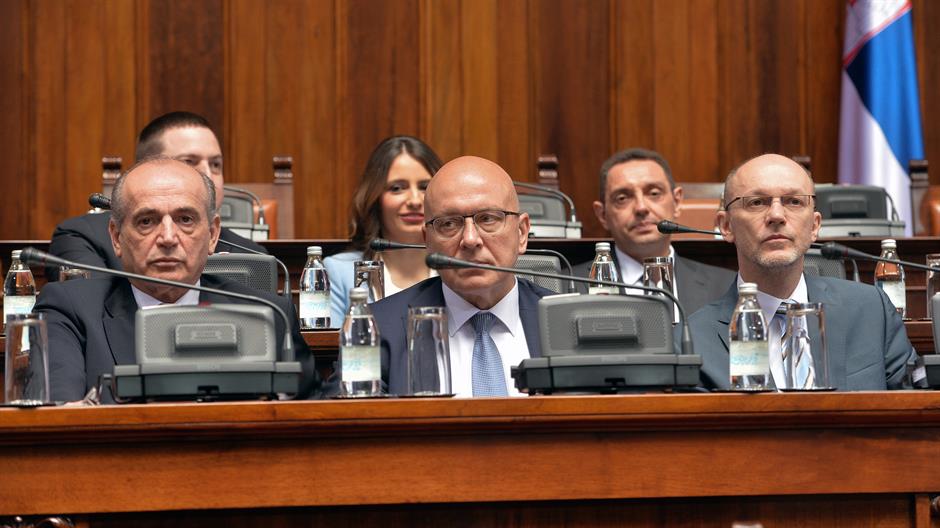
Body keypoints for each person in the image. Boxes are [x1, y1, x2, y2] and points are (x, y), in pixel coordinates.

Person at [34, 158, 318, 403]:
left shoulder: (268, 314)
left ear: (213, 235)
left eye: (185, 220)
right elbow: (60, 415)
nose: (168, 238)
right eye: (147, 221)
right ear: (117, 237)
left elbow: (313, 416)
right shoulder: (70, 310)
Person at [690, 153, 915, 390]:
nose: (776, 215)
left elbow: (917, 405)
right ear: (726, 226)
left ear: (815, 226)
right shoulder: (694, 339)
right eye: (757, 202)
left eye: (794, 201)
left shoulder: (871, 311)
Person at [369, 156, 555, 397]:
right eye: (449, 224)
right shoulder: (380, 327)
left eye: (488, 218)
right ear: (428, 241)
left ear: (521, 233)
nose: (470, 239)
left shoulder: (565, 323)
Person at [48, 111, 266, 279]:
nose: (209, 175)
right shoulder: (84, 237)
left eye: (216, 164)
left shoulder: (251, 255)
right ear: (147, 168)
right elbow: (89, 311)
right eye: (189, 163)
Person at [573, 148, 734, 314]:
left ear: (677, 202)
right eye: (622, 198)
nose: (641, 208)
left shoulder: (728, 285)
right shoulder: (565, 285)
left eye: (654, 193)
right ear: (602, 215)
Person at [324, 135, 443, 324]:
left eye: (424, 187)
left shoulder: (457, 270)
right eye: (397, 188)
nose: (414, 200)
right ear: (375, 197)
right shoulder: (339, 271)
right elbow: (329, 342)